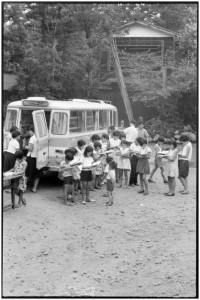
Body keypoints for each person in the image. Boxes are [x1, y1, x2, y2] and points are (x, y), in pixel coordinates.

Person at [25, 126, 42, 193]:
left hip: (31, 157)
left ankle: (23, 187)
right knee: (37, 174)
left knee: (27, 173)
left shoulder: (32, 138)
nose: (29, 132)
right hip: (38, 157)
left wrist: (26, 147)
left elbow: (31, 149)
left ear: (32, 131)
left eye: (29, 131)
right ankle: (34, 188)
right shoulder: (40, 137)